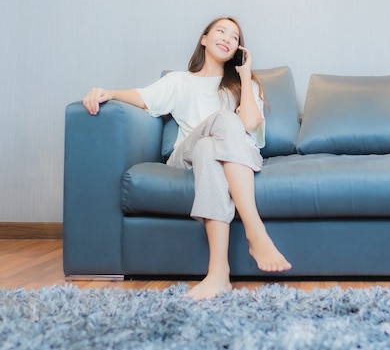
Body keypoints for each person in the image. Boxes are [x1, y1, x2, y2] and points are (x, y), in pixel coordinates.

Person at [82, 17, 292, 300]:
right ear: (204, 39)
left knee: (210, 146)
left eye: (234, 36)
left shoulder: (244, 84)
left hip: (231, 151)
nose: (227, 38)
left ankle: (218, 274)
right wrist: (109, 92)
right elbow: (144, 98)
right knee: (214, 130)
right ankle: (256, 230)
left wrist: (245, 76)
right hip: (186, 155)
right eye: (221, 31)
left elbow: (251, 123)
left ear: (238, 49)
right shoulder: (180, 81)